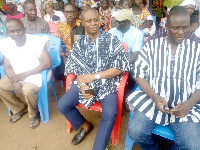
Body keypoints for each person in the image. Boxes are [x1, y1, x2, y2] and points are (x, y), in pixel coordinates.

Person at [127, 6, 200, 150]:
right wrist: (154, 96)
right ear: (166, 26)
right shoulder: (152, 46)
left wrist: (190, 103)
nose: (181, 32)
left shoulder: (197, 50)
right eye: (176, 28)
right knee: (134, 132)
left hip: (185, 106)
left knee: (194, 146)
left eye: (185, 27)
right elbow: (139, 74)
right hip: (153, 101)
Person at [57, 8, 131, 150]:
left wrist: (95, 76)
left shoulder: (111, 40)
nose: (93, 23)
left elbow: (120, 67)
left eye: (95, 20)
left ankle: (98, 147)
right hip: (88, 86)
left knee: (109, 113)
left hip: (107, 85)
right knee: (63, 105)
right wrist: (84, 84)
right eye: (89, 21)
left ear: (100, 21)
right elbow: (75, 67)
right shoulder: (79, 43)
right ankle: (85, 125)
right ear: (83, 23)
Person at [0, 18, 52, 129]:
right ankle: (19, 108)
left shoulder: (35, 41)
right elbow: (7, 67)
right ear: (7, 32)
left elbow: (47, 63)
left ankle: (34, 114)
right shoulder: (6, 44)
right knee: (1, 86)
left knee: (27, 90)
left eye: (18, 30)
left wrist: (23, 76)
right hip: (16, 73)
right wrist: (15, 81)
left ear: (24, 29)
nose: (16, 34)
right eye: (12, 32)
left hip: (36, 72)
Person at [55, 3, 85, 81]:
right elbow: (58, 43)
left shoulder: (82, 25)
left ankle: (74, 82)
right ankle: (69, 81)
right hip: (67, 55)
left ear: (76, 13)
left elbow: (88, 42)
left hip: (80, 56)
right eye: (67, 12)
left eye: (72, 12)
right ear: (64, 13)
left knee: (81, 72)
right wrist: (63, 56)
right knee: (57, 74)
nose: (70, 14)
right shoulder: (61, 26)